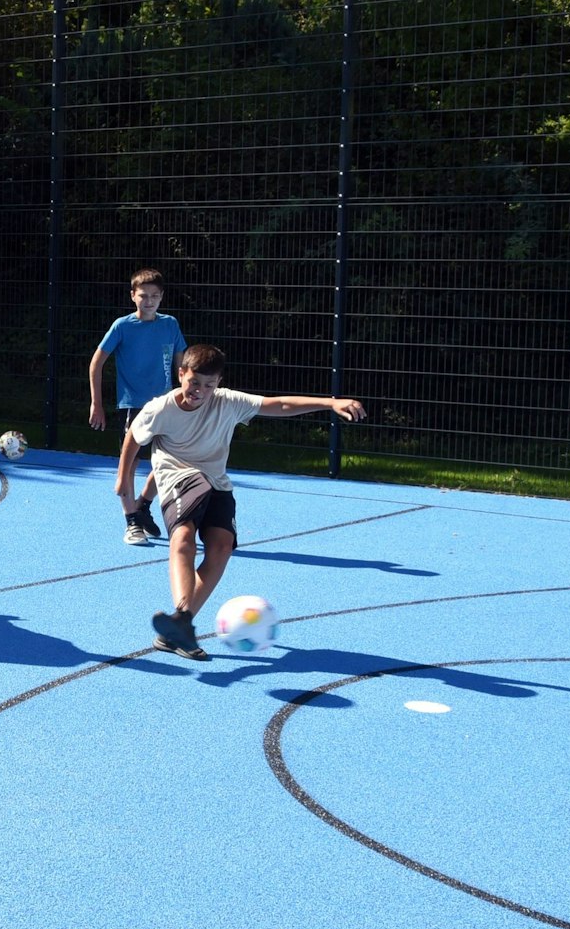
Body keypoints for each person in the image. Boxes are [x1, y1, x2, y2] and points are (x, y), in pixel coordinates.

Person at [119, 344, 365, 660]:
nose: (199, 391)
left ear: (218, 383)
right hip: (178, 476)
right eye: (194, 382)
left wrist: (330, 403)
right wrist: (124, 478)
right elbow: (133, 437)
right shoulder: (161, 408)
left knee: (221, 547)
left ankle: (180, 628)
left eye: (208, 385)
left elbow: (280, 405)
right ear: (182, 374)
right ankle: (181, 612)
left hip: (216, 482)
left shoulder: (228, 402)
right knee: (183, 537)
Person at [89, 268, 186, 546]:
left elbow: (181, 365)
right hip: (134, 405)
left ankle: (143, 504)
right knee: (129, 464)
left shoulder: (170, 324)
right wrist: (97, 402)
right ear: (133, 296)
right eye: (143, 295)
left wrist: (184, 398)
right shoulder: (122, 326)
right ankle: (131, 522)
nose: (149, 300)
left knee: (171, 460)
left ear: (162, 297)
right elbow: (97, 363)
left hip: (166, 404)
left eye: (155, 296)